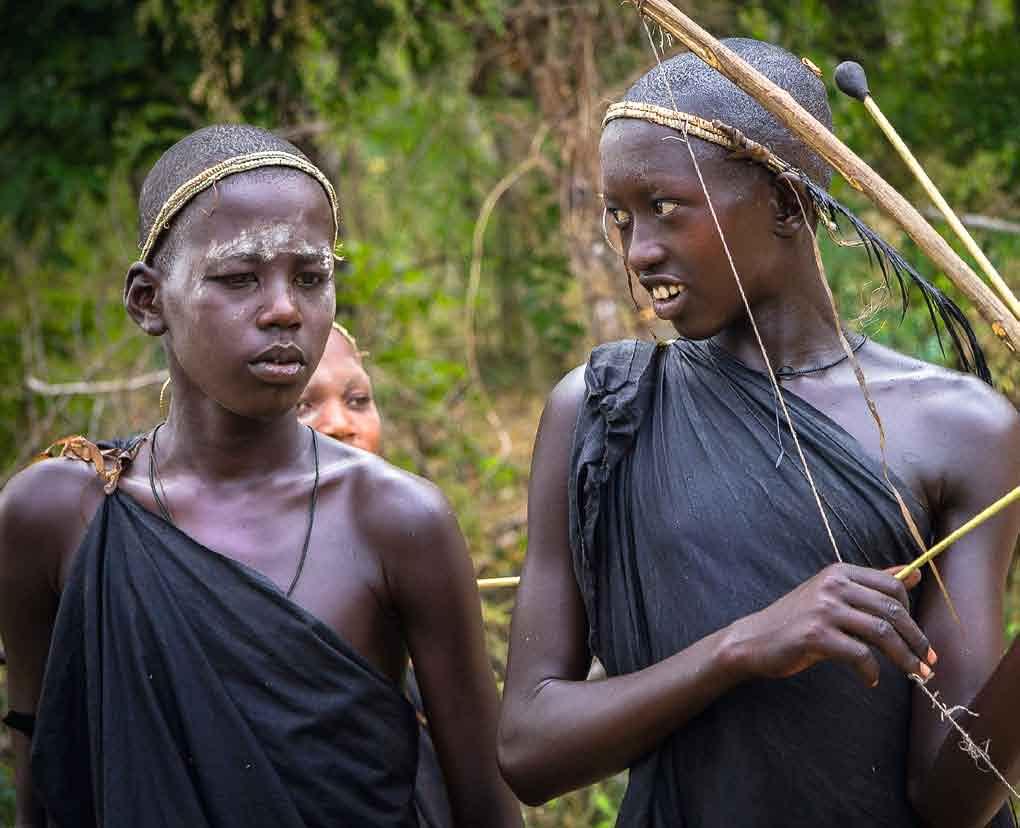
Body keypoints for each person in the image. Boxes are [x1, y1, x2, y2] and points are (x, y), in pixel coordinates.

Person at [498, 39, 1020, 827]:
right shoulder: (601, 413)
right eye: (618, 217)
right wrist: (741, 646)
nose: (638, 252)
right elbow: (529, 752)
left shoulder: (963, 430)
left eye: (665, 208)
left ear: (786, 200)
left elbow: (950, 799)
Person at [0, 124, 520, 827]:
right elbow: (41, 773)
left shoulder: (397, 521)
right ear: (147, 301)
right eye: (238, 278)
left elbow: (484, 808)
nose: (283, 309)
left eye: (311, 278)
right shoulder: (60, 514)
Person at [297, 321, 454, 828]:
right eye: (304, 405)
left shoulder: (412, 543)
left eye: (359, 399)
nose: (340, 423)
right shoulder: (204, 578)